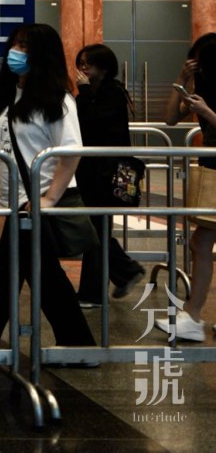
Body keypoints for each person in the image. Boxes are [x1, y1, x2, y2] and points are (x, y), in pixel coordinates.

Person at [0, 23, 96, 356]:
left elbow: (71, 151)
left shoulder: (58, 99)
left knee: (4, 278)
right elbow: (2, 150)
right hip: (20, 205)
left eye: (25, 47)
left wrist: (49, 198)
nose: (16, 52)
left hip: (38, 206)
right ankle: (79, 345)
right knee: (44, 278)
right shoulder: (15, 95)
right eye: (15, 45)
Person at [74, 43, 146, 308]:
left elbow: (95, 123)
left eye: (87, 63)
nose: (82, 69)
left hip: (105, 174)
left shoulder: (112, 92)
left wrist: (82, 93)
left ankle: (123, 272)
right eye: (80, 63)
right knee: (95, 227)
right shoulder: (93, 92)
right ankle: (97, 289)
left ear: (102, 67)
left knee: (95, 228)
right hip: (92, 172)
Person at [158, 33, 216, 341]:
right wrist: (181, 81)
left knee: (201, 243)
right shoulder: (202, 86)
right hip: (211, 171)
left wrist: (207, 113)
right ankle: (193, 316)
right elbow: (170, 118)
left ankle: (193, 317)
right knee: (200, 243)